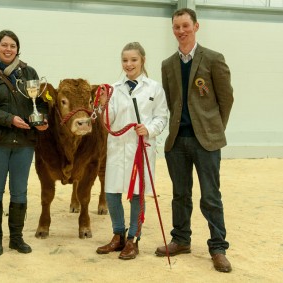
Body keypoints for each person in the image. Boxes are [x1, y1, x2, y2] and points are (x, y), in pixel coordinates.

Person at [155, 8, 234, 273]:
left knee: (211, 196)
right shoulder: (167, 65)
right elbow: (169, 101)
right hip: (177, 141)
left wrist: (213, 129)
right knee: (180, 195)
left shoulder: (213, 58)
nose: (181, 31)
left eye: (185, 26)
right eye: (176, 27)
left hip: (206, 142)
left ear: (196, 27)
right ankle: (181, 239)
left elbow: (226, 99)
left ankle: (218, 247)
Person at [0, 30, 48, 256]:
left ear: (18, 49)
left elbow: (41, 103)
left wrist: (42, 119)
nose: (8, 49)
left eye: (12, 46)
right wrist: (10, 119)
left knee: (19, 191)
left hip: (25, 142)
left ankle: (16, 238)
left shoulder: (30, 72)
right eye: (4, 45)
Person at [96, 42, 168, 260]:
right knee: (112, 192)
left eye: (133, 60)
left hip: (140, 147)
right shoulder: (114, 88)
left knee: (137, 194)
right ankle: (118, 235)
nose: (129, 64)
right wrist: (103, 104)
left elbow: (162, 117)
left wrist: (149, 129)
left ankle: (133, 239)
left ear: (142, 60)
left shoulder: (154, 88)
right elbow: (108, 120)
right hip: (118, 147)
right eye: (125, 60)